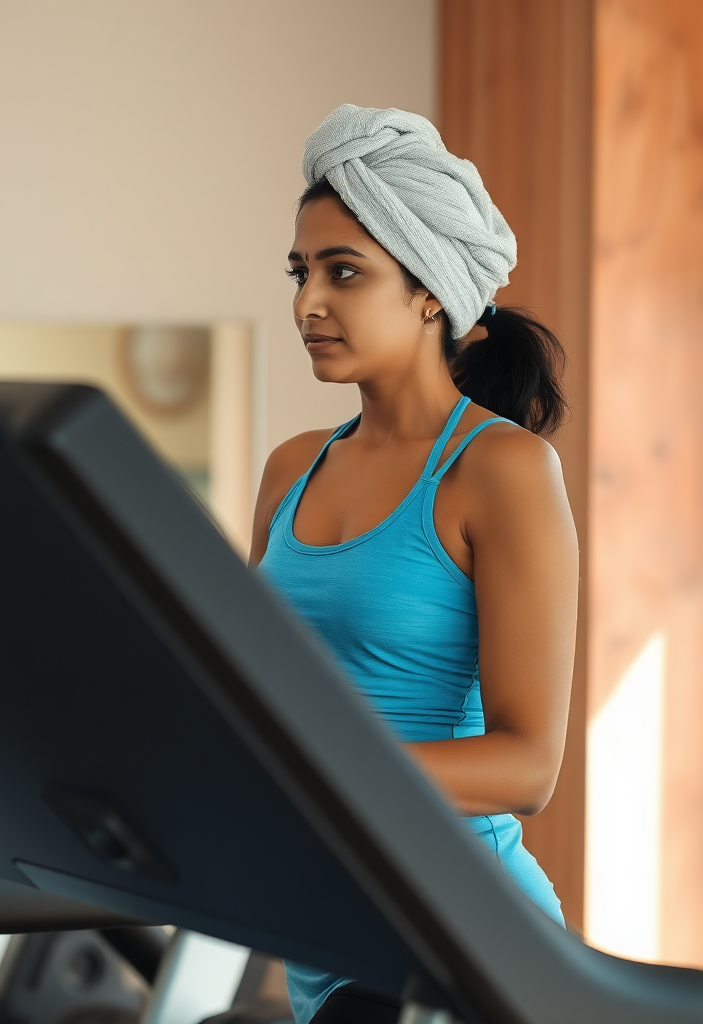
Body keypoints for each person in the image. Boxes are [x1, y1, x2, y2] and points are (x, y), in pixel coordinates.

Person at [251, 106, 579, 1024]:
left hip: (468, 936)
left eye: (344, 273)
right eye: (302, 271)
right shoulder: (292, 466)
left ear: (429, 291)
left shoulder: (502, 469)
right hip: (326, 932)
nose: (308, 302)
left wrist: (315, 767)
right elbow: (251, 694)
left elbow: (527, 767)